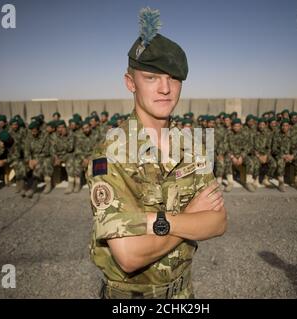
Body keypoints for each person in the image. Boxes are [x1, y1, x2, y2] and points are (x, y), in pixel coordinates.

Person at [87, 7, 227, 299]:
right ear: (130, 83)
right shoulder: (110, 155)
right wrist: (189, 216)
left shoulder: (192, 146)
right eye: (151, 77)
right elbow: (129, 255)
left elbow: (217, 222)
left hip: (182, 294)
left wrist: (152, 222)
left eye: (173, 78)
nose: (165, 88)